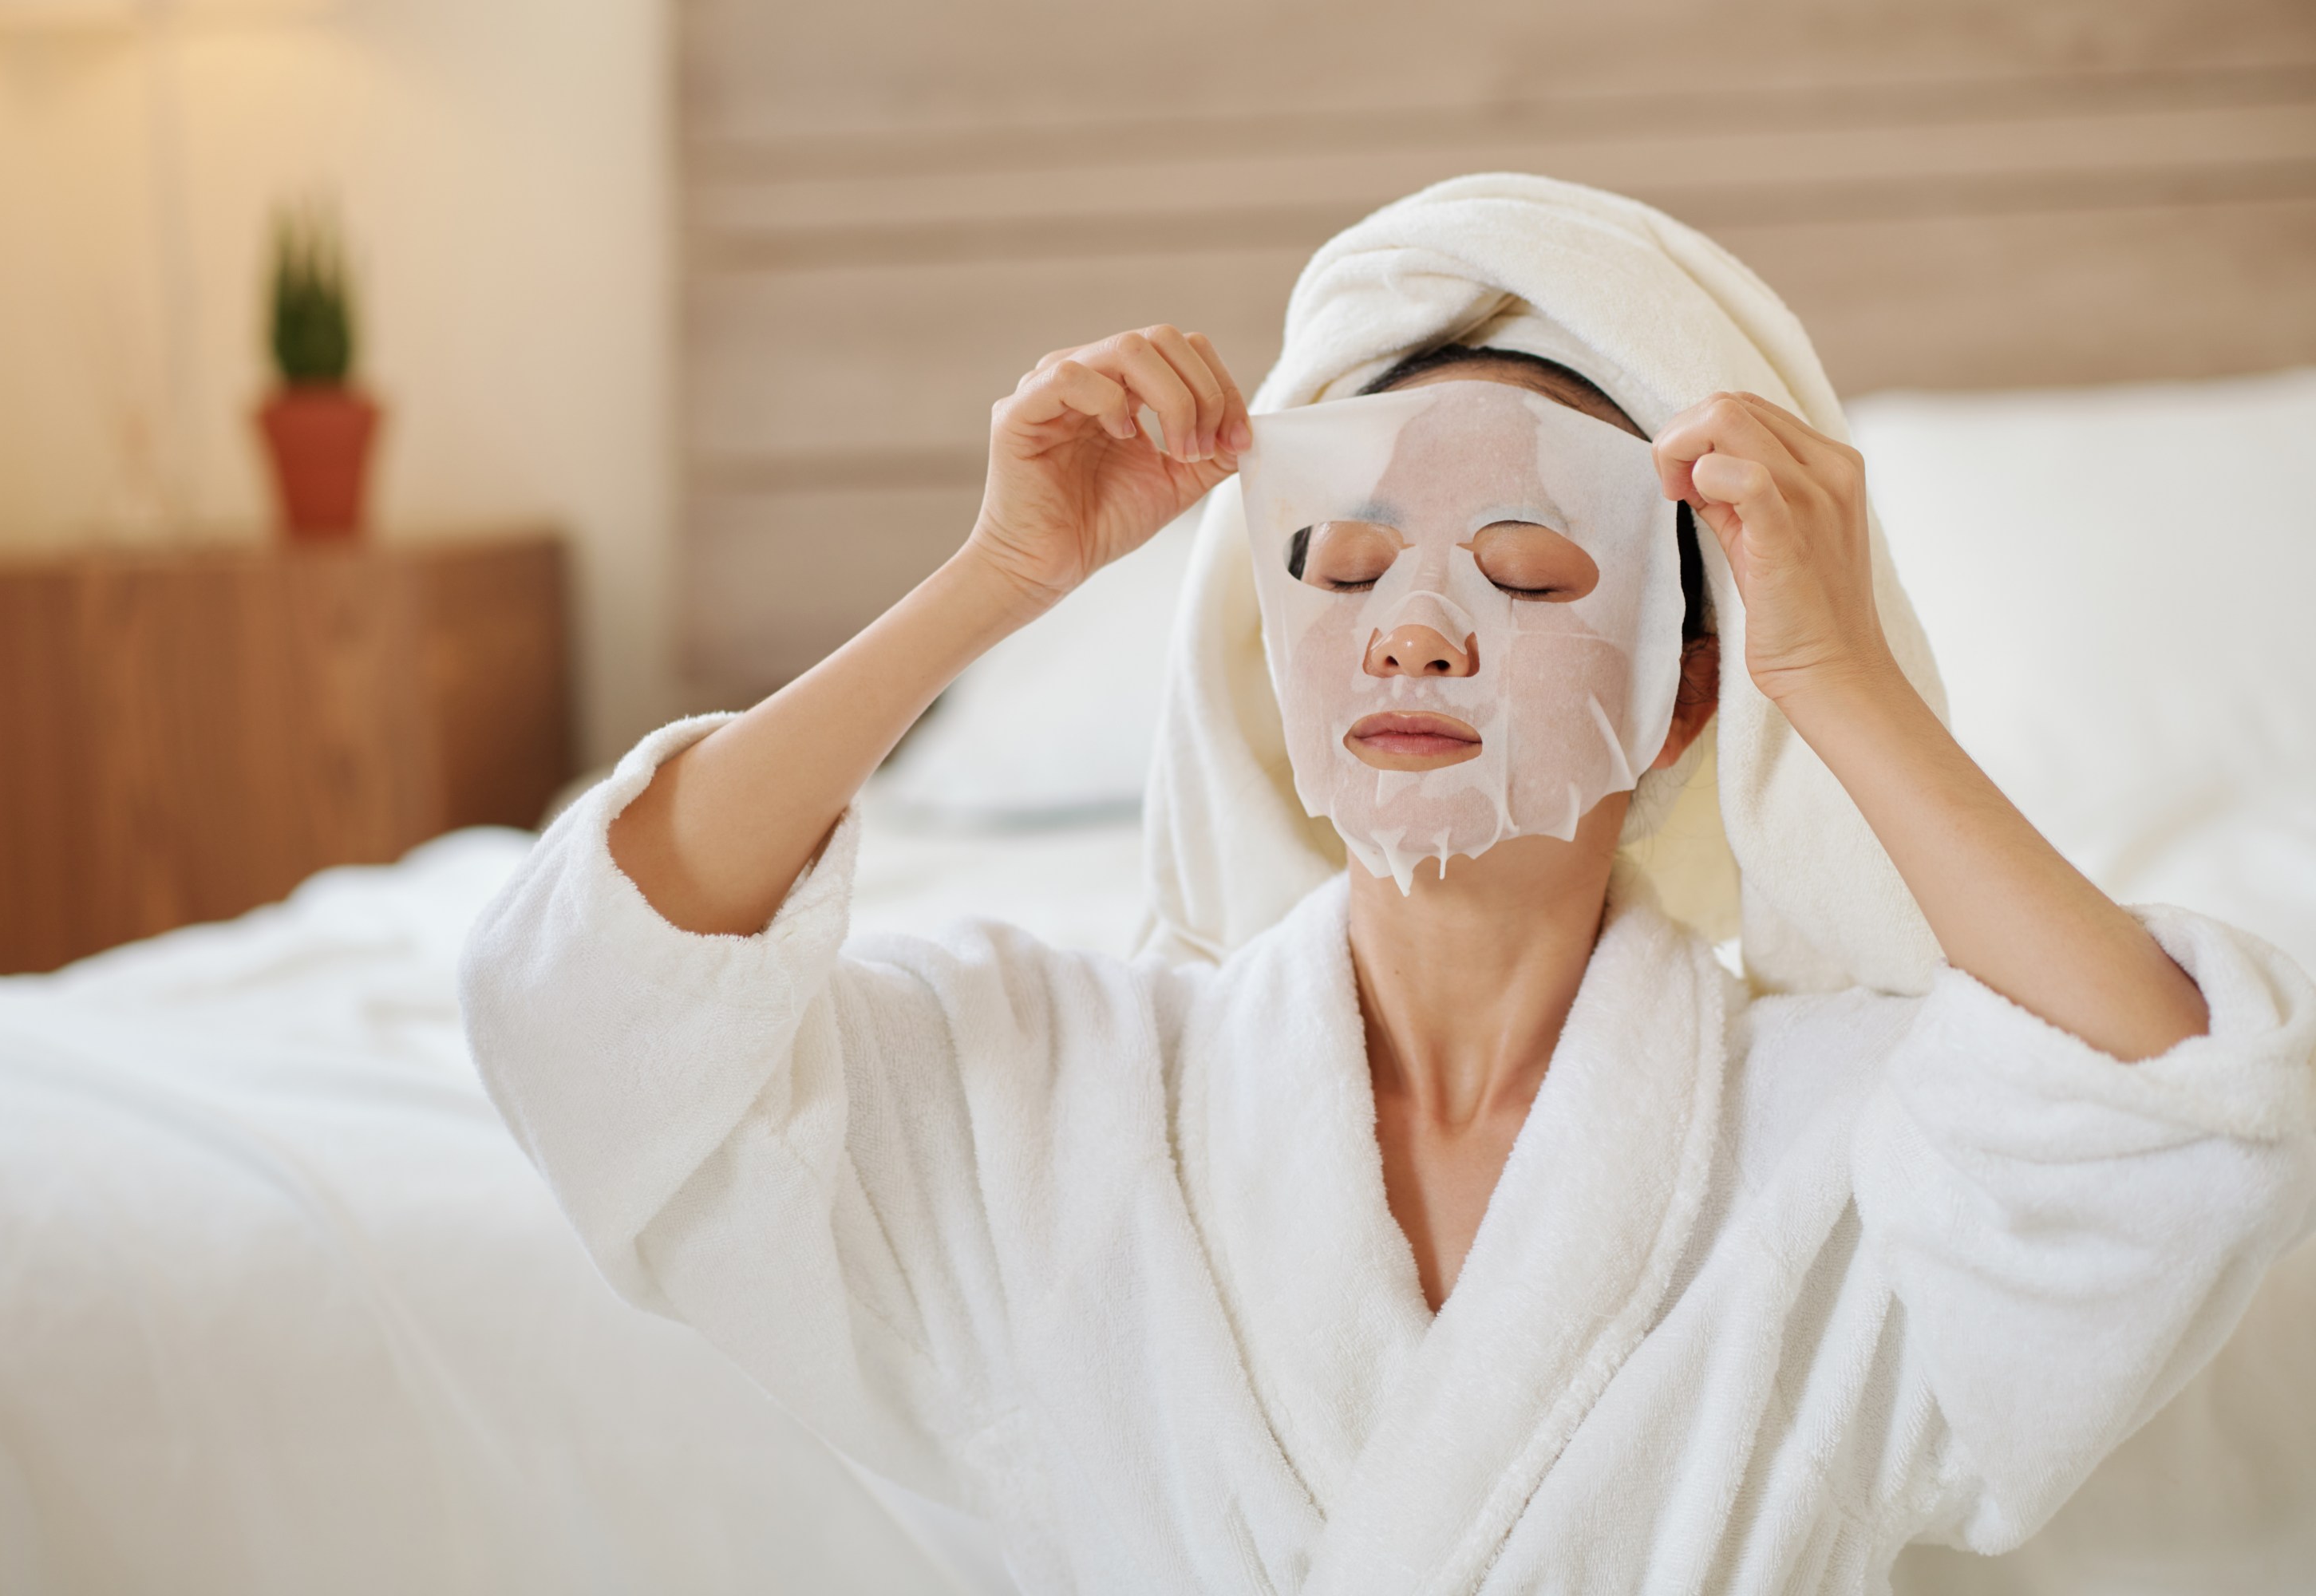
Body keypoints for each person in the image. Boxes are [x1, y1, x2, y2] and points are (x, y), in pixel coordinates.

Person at [462, 176, 2315, 1594]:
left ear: (1685, 686)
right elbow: (599, 1007)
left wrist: (1831, 675)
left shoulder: (1838, 1135)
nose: (1411, 633)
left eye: (1522, 569)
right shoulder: (1056, 1084)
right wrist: (999, 582)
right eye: (1342, 568)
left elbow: (2176, 1119)